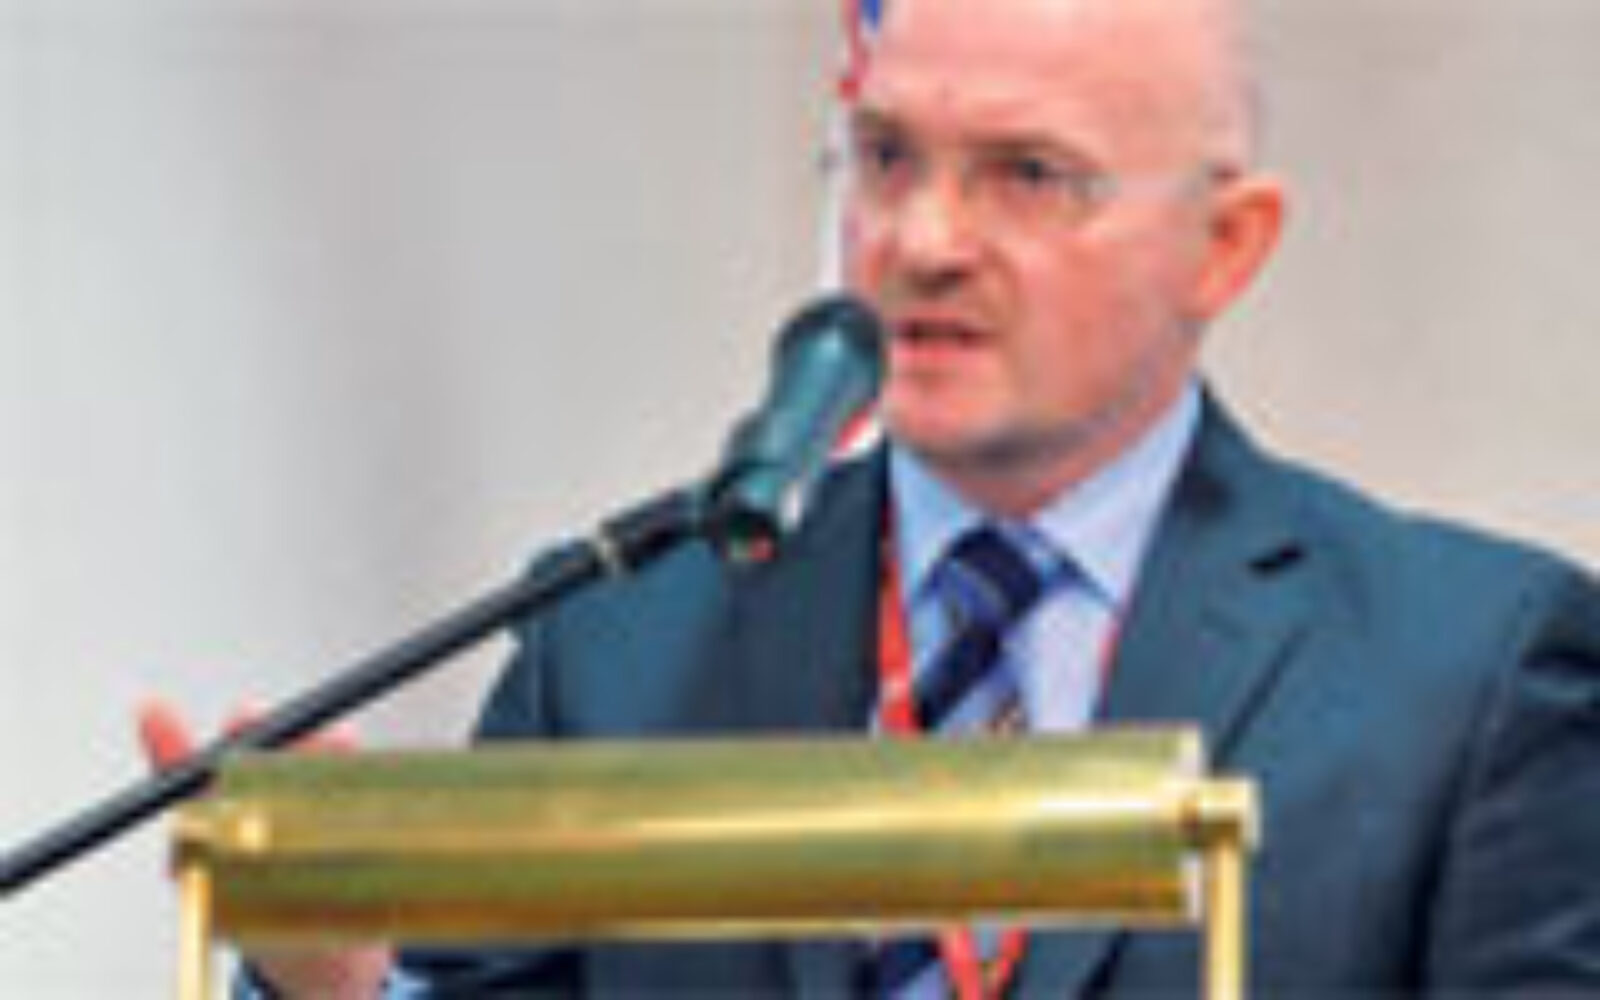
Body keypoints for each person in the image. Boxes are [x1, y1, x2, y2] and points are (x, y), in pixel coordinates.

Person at [143, 0, 1600, 994]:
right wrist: (342, 977)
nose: (922, 239)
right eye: (887, 159)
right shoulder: (619, 644)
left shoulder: (1467, 673)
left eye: (1029, 175)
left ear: (1225, 246)